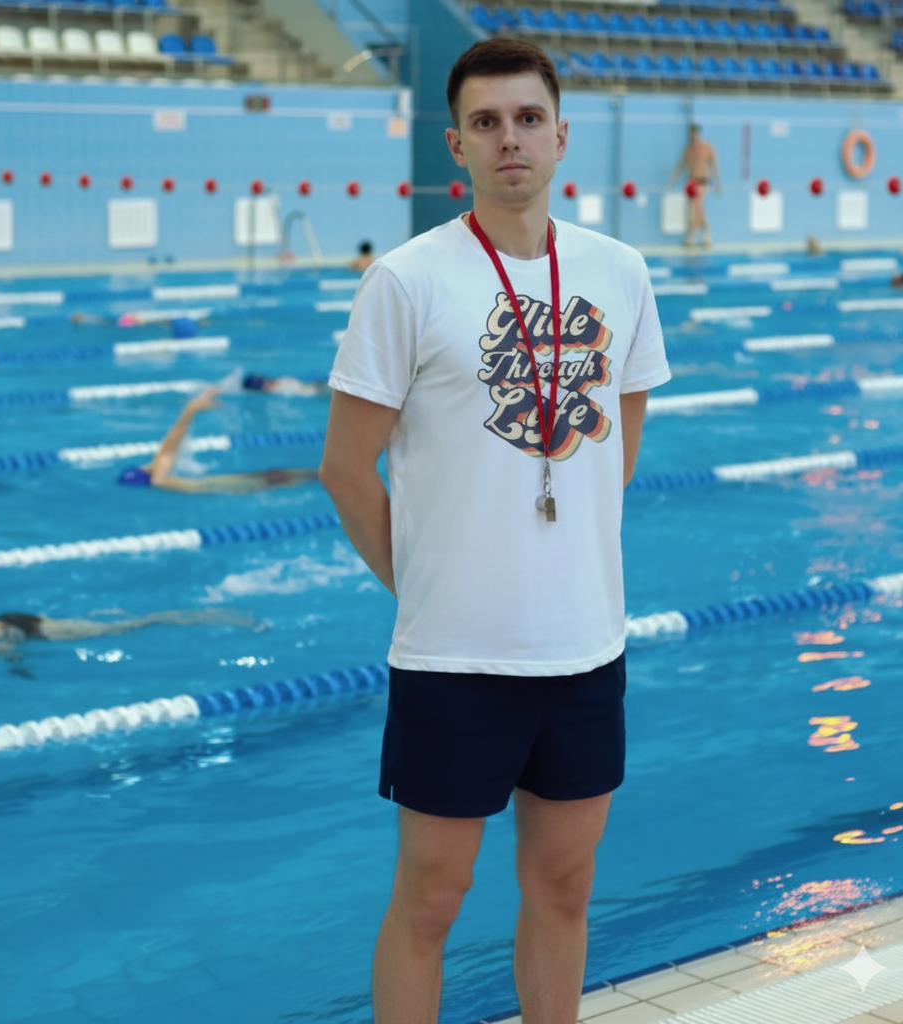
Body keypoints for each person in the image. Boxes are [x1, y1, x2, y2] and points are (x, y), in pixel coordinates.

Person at [318, 38, 670, 1024]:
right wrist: (426, 585)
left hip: (585, 646)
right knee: (431, 898)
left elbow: (617, 451)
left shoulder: (620, 271)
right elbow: (345, 470)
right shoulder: (406, 280)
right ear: (455, 148)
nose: (508, 139)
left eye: (525, 119)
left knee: (563, 887)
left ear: (561, 136)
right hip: (453, 659)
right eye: (486, 123)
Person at [116, 386, 317, 493]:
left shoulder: (161, 481)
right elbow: (169, 448)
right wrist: (190, 410)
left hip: (222, 487)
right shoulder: (158, 477)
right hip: (228, 485)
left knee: (290, 478)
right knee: (288, 477)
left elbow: (167, 452)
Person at [0, 607, 257, 658]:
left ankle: (194, 616)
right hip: (1, 625)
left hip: (10, 629)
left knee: (125, 627)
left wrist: (14, 659)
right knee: (114, 626)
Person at [668, 123, 721, 248]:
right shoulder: (689, 150)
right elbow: (682, 165)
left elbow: (714, 166)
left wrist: (718, 182)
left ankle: (693, 237)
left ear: (699, 133)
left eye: (695, 133)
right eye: (691, 134)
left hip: (703, 182)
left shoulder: (707, 148)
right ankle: (703, 236)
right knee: (697, 210)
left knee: (696, 209)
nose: (693, 136)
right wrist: (673, 178)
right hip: (691, 184)